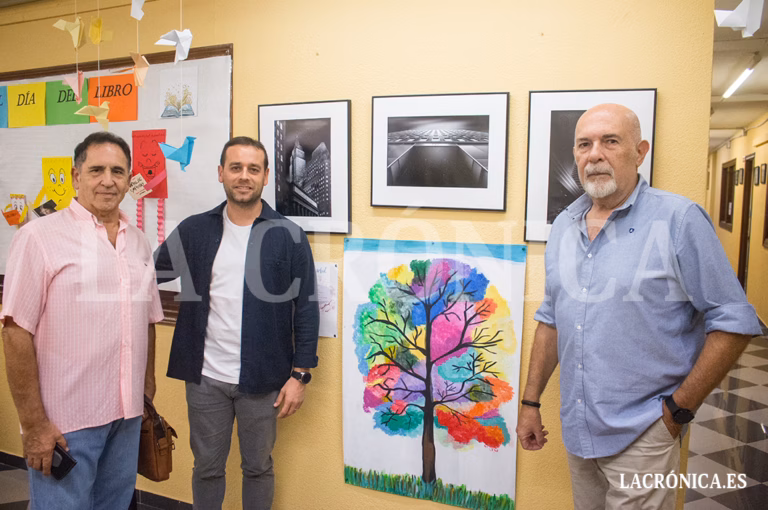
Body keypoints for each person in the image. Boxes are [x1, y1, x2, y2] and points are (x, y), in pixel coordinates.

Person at [516, 104, 762, 510]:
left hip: (644, 432)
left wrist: (676, 413)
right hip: (579, 431)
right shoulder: (564, 226)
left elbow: (734, 321)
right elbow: (551, 319)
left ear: (639, 151)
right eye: (584, 144)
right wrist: (530, 403)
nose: (594, 154)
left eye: (610, 141)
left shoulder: (679, 220)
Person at [154, 136, 319, 510]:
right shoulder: (195, 230)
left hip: (264, 380)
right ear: (221, 173)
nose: (243, 176)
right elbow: (149, 273)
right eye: (235, 167)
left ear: (265, 178)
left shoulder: (289, 236)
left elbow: (307, 308)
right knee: (206, 467)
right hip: (206, 378)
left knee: (258, 467)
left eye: (253, 169)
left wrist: (300, 376)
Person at [1, 132, 164, 510]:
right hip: (65, 424)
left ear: (128, 179)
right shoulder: (38, 237)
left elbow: (148, 319)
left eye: (117, 171)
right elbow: (15, 332)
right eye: (97, 170)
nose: (108, 180)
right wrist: (34, 424)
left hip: (125, 416)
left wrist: (147, 389)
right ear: (76, 176)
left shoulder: (137, 240)